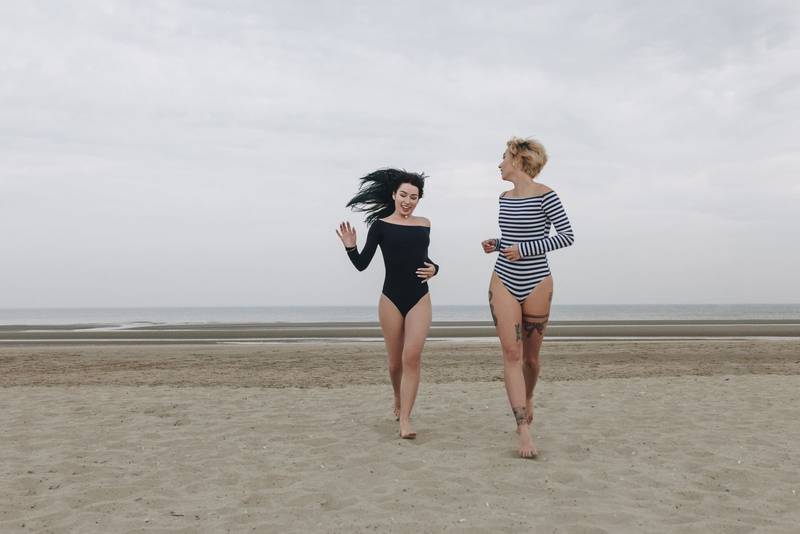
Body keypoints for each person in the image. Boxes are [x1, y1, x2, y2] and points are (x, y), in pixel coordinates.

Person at [481, 138, 575, 458]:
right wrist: (497, 244)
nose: (500, 164)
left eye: (504, 158)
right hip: (503, 279)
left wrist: (525, 250)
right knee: (512, 354)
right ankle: (523, 430)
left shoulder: (547, 195)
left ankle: (529, 395)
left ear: (519, 160)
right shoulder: (504, 198)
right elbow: (512, 237)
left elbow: (566, 236)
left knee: (531, 360)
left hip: (537, 281)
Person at [336, 169, 439, 439]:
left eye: (413, 197)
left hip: (420, 297)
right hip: (391, 299)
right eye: (403, 195)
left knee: (411, 357)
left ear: (419, 199)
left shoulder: (425, 224)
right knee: (395, 364)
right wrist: (350, 246)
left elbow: (422, 258)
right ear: (394, 195)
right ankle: (397, 396)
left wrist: (435, 269)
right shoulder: (380, 226)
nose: (408, 201)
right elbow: (362, 264)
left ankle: (405, 419)